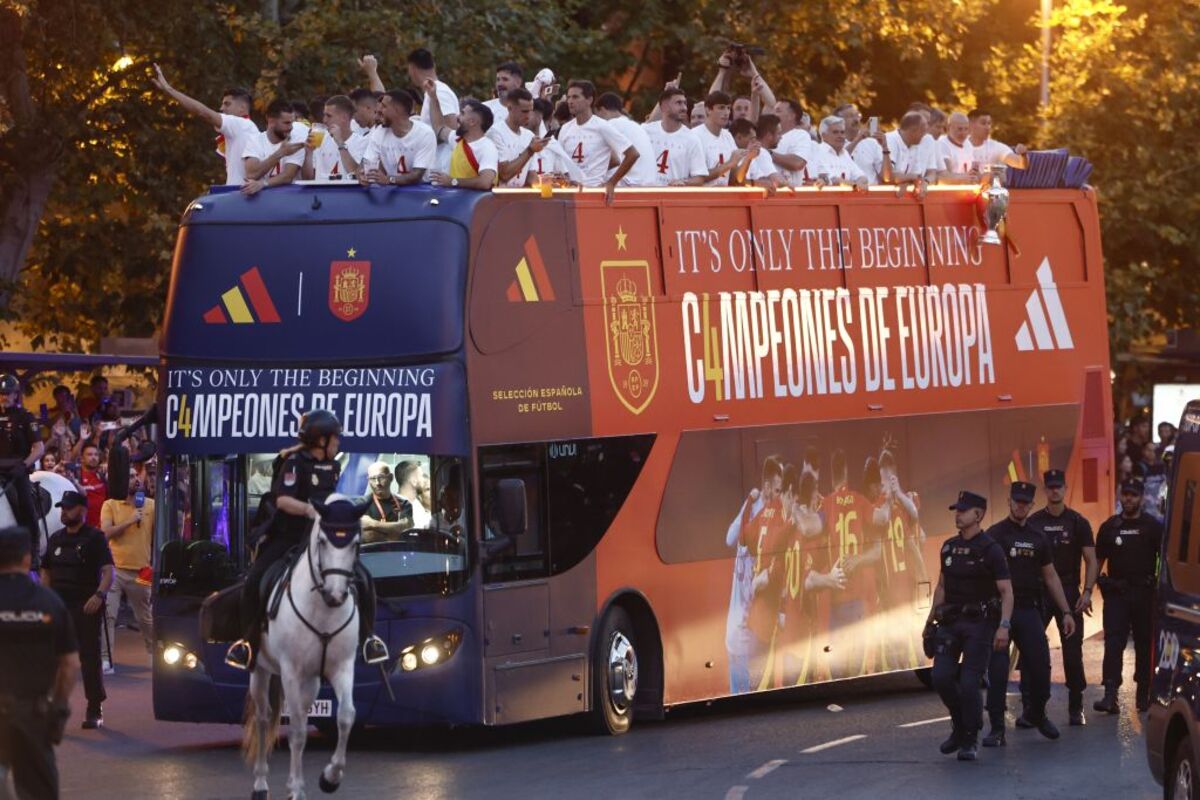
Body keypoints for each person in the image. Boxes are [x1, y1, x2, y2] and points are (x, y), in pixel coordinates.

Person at [225, 410, 388, 670]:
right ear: (321, 441)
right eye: (335, 439)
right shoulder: (294, 463)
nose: (338, 443)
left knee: (364, 578)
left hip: (322, 536)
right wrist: (309, 510)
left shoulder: (333, 466)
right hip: (289, 535)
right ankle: (247, 643)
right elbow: (282, 500)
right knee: (255, 580)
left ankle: (369, 638)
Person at [981, 481, 1076, 747]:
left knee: (1040, 664)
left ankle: (1038, 714)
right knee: (999, 669)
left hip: (1027, 608)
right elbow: (981, 574)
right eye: (1017, 501)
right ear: (1009, 501)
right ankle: (997, 728)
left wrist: (1066, 610)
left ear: (1032, 505)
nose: (1021, 506)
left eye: (1026, 502)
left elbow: (1051, 576)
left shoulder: (1038, 537)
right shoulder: (995, 535)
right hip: (1000, 611)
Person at [928, 490, 1013, 761]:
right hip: (951, 622)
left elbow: (1006, 592)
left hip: (980, 625)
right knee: (940, 677)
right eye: (956, 510)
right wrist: (929, 622)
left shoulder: (991, 550)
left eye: (963, 511)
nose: (957, 514)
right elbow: (941, 587)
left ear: (977, 515)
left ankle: (969, 738)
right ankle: (960, 723)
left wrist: (1004, 626)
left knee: (968, 683)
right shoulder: (948, 547)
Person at [0, 526, 78, 800]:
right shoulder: (49, 602)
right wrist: (57, 707)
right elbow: (69, 664)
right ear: (26, 558)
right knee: (39, 791)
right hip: (32, 714)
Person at [1024, 468, 1097, 726]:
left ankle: (1076, 705)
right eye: (1050, 487)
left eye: (1059, 486)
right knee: (1030, 649)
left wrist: (1087, 592)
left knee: (1072, 654)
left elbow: (1091, 559)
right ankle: (1029, 708)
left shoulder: (1078, 522)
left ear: (1065, 489)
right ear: (1045, 490)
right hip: (1040, 592)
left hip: (1068, 590)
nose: (1055, 491)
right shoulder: (1033, 523)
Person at [40, 491, 113, 730]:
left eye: (69, 508)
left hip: (85, 607)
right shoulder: (56, 538)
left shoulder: (95, 538)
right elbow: (46, 571)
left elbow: (107, 571)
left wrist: (99, 595)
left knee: (89, 659)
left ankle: (94, 707)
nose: (64, 512)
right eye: (62, 508)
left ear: (82, 510)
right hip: (59, 607)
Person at [1094, 477, 1163, 713]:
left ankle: (1143, 693)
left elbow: (1164, 560)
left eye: (1133, 495)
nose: (1128, 499)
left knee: (1144, 644)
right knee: (1113, 643)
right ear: (1120, 495)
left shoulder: (1153, 526)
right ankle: (1110, 694)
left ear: (1141, 498)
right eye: (1125, 494)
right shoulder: (1109, 527)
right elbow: (1097, 560)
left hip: (1144, 594)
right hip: (1117, 595)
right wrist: (1087, 591)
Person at [724, 456, 781, 693]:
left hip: (734, 631)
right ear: (767, 486)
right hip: (749, 631)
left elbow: (729, 538)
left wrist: (748, 501)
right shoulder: (765, 521)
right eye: (777, 488)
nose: (779, 494)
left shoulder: (748, 511)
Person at [151, 64, 259, 186]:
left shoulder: (240, 124)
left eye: (227, 104)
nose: (221, 108)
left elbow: (203, 113)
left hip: (239, 197)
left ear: (242, 109)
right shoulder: (249, 129)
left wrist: (168, 89)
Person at [99, 466, 155, 661]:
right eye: (129, 476)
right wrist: (130, 521)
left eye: (135, 476)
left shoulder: (150, 505)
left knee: (145, 618)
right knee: (108, 616)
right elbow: (105, 534)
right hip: (114, 570)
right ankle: (106, 659)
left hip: (142, 571)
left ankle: (154, 653)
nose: (135, 480)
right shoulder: (110, 505)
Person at [557, 81, 641, 202]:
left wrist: (612, 182)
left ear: (589, 100)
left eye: (575, 97)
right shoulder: (565, 128)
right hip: (570, 194)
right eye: (569, 97)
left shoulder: (602, 126)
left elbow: (632, 154)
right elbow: (560, 160)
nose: (570, 101)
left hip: (594, 194)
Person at [0, 374, 44, 567]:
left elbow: (39, 448)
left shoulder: (26, 417)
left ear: (16, 394)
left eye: (8, 393)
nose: (4, 396)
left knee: (25, 503)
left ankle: (33, 549)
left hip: (17, 470)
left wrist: (24, 465)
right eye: (1, 393)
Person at [359, 90, 437, 186]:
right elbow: (366, 161)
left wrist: (389, 179)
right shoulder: (379, 132)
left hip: (422, 193)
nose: (379, 110)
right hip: (392, 192)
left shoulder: (425, 133)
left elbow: (417, 175)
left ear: (397, 110)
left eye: (384, 106)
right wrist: (362, 174)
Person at [642, 88, 707, 186]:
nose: (684, 108)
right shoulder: (646, 131)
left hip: (672, 198)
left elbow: (700, 178)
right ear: (664, 107)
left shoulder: (692, 139)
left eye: (684, 103)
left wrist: (683, 182)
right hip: (646, 195)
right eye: (678, 103)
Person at [407, 48, 460, 169]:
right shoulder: (431, 92)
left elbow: (451, 129)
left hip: (443, 164)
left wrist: (420, 142)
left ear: (413, 69)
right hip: (436, 163)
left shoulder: (440, 92)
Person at [429, 99, 499, 190]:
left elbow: (485, 182)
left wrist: (452, 181)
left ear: (472, 122)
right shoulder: (457, 139)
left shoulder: (487, 148)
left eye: (462, 113)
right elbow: (438, 127)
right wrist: (432, 96)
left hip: (478, 203)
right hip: (459, 201)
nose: (457, 116)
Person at [241, 99, 305, 196]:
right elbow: (252, 174)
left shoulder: (296, 139)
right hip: (262, 201)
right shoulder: (255, 140)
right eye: (286, 123)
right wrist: (280, 153)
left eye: (292, 122)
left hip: (289, 198)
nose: (291, 127)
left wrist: (262, 184)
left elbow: (288, 176)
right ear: (271, 121)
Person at [593, 92, 656, 188]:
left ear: (602, 110)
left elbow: (613, 161)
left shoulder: (610, 125)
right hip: (650, 184)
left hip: (630, 184)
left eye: (597, 116)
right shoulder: (636, 126)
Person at [487, 87, 548, 188]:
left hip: (519, 197)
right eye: (524, 111)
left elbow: (531, 175)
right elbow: (504, 174)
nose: (529, 115)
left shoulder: (529, 135)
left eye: (530, 111)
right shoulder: (495, 132)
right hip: (499, 198)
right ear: (510, 108)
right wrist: (530, 151)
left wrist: (546, 187)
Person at [301, 94, 368, 180]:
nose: (324, 120)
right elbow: (307, 178)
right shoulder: (321, 139)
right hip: (321, 192)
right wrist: (308, 154)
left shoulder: (362, 142)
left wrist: (340, 144)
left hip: (347, 193)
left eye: (329, 116)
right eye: (324, 115)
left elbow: (357, 175)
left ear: (344, 118)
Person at [690, 91, 738, 185]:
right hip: (701, 197)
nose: (726, 112)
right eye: (721, 108)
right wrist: (729, 164)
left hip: (724, 196)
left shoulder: (728, 136)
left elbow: (733, 177)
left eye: (728, 108)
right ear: (708, 110)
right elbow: (698, 177)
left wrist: (748, 158)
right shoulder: (695, 136)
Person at [360, 463, 413, 544]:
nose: (377, 483)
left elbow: (406, 528)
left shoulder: (404, 504)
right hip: (370, 554)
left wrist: (373, 524)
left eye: (381, 477)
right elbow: (367, 536)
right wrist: (395, 532)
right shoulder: (361, 504)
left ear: (391, 477)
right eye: (372, 478)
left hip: (398, 554)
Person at [883, 112, 939, 187]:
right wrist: (912, 177)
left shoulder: (916, 144)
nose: (925, 135)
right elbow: (888, 177)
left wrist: (923, 182)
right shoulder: (890, 141)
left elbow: (923, 175)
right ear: (913, 130)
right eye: (923, 131)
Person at [811, 116, 868, 188]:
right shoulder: (817, 151)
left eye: (842, 132)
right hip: (827, 197)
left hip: (847, 197)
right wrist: (855, 185)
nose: (840, 136)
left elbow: (862, 177)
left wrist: (859, 183)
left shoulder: (844, 153)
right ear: (823, 135)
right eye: (835, 132)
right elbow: (832, 180)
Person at [770, 99, 814, 186]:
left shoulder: (800, 135)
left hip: (788, 194)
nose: (773, 114)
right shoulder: (767, 135)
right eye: (773, 111)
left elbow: (797, 163)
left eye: (778, 111)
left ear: (791, 116)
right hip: (765, 191)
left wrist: (769, 153)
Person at [936, 111, 979, 182]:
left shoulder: (968, 144)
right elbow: (946, 177)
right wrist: (966, 177)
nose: (963, 133)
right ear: (949, 127)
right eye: (960, 129)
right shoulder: (942, 144)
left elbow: (973, 170)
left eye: (966, 129)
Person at [484, 61, 524, 125]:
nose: (499, 84)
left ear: (518, 82)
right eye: (498, 80)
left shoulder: (528, 111)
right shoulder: (484, 109)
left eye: (505, 79)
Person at [77, 443, 107, 529]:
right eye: (89, 454)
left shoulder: (103, 475)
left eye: (96, 455)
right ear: (82, 458)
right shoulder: (77, 476)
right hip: (84, 528)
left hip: (103, 528)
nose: (93, 457)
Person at [395, 461, 432, 529]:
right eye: (421, 476)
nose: (424, 480)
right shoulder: (396, 508)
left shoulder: (416, 505)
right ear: (414, 481)